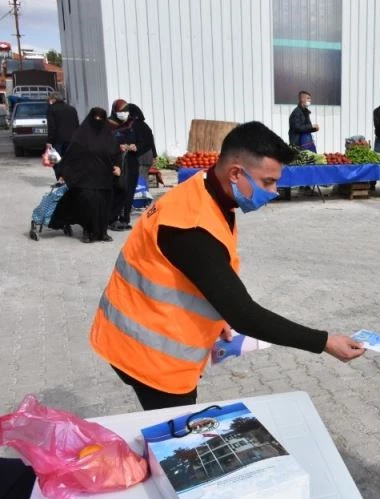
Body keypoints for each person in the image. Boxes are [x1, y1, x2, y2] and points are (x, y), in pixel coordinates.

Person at [89, 122, 365, 411]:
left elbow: (193, 277)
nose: (274, 191)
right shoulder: (190, 226)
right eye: (268, 181)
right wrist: (325, 342)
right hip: (147, 355)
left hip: (140, 335)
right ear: (235, 173)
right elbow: (244, 314)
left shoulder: (204, 190)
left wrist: (215, 315)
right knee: (176, 442)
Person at [58, 108, 122, 243]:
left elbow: (116, 154)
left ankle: (102, 232)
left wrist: (118, 166)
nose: (98, 121)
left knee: (104, 205)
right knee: (88, 204)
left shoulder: (109, 136)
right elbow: (70, 156)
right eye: (95, 119)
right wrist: (63, 173)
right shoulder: (80, 136)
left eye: (101, 119)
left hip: (104, 177)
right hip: (85, 178)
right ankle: (87, 231)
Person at [108, 100, 139, 231]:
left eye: (126, 111)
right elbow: (104, 143)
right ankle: (112, 219)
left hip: (130, 163)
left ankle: (125, 219)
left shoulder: (132, 124)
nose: (124, 114)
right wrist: (116, 147)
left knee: (128, 191)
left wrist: (135, 146)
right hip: (115, 164)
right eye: (121, 111)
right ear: (115, 111)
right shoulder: (108, 125)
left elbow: (141, 140)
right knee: (116, 191)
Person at [127, 103, 157, 207]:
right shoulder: (145, 126)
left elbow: (138, 142)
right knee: (144, 178)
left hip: (140, 156)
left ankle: (139, 202)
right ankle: (146, 201)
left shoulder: (133, 126)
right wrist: (154, 155)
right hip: (148, 155)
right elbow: (151, 141)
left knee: (139, 179)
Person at [45, 91, 79, 180]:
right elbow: (76, 124)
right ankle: (69, 179)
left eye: (50, 99)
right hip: (72, 139)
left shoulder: (51, 109)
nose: (49, 101)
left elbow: (52, 127)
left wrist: (49, 141)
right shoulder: (72, 109)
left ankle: (60, 179)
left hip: (57, 140)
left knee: (55, 160)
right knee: (69, 160)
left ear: (54, 99)